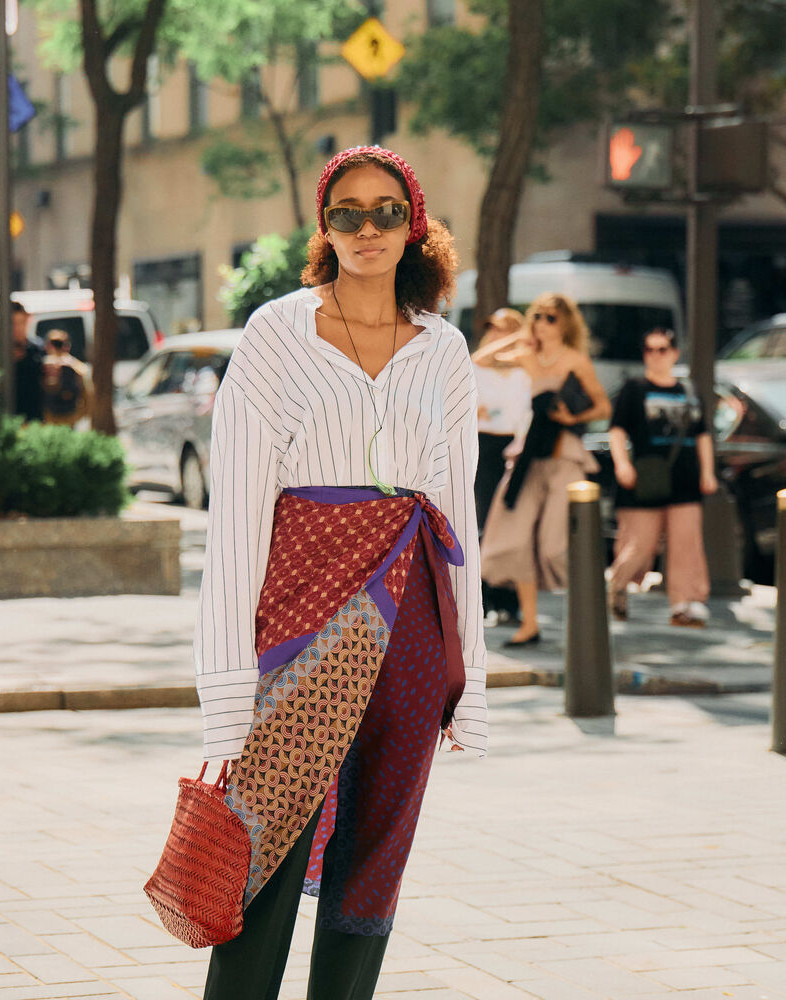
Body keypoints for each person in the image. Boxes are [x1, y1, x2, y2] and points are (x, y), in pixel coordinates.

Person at [194, 145, 488, 1000]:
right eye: (348, 212)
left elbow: (458, 515)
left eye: (387, 210)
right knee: (269, 845)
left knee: (377, 855)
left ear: (415, 225)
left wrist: (476, 683)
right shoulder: (275, 333)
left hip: (416, 620)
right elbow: (236, 519)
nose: (368, 228)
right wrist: (222, 695)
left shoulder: (444, 349)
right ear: (324, 226)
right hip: (301, 615)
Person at [479, 293, 611, 646]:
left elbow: (602, 406)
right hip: (527, 454)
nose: (542, 323)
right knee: (514, 538)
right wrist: (518, 333)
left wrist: (574, 417)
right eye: (538, 316)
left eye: (550, 318)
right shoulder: (527, 355)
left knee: (555, 546)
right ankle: (530, 624)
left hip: (564, 453)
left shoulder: (576, 360)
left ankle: (588, 615)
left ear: (565, 323)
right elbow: (482, 359)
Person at [606, 327, 718, 626]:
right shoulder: (634, 389)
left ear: (674, 353)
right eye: (650, 350)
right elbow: (616, 430)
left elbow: (703, 435)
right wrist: (622, 465)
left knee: (686, 542)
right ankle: (616, 585)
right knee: (641, 544)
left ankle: (684, 603)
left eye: (662, 349)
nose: (656, 356)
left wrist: (708, 472)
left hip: (686, 479)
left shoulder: (689, 392)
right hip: (647, 477)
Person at [470, 308, 531, 624]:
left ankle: (511, 600)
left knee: (511, 528)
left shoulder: (525, 371)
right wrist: (512, 338)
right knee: (483, 525)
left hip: (516, 452)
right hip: (484, 449)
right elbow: (478, 358)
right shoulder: (478, 368)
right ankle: (486, 599)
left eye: (506, 328)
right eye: (493, 328)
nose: (497, 333)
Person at [0, 302, 45, 422]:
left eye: (21, 323)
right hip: (0, 418)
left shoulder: (38, 349)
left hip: (32, 418)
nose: (17, 328)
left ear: (28, 321)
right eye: (12, 323)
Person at [41, 329, 92, 426]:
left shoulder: (44, 365)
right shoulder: (76, 366)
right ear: (67, 346)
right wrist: (82, 413)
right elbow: (88, 392)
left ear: (48, 346)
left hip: (49, 417)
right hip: (70, 416)